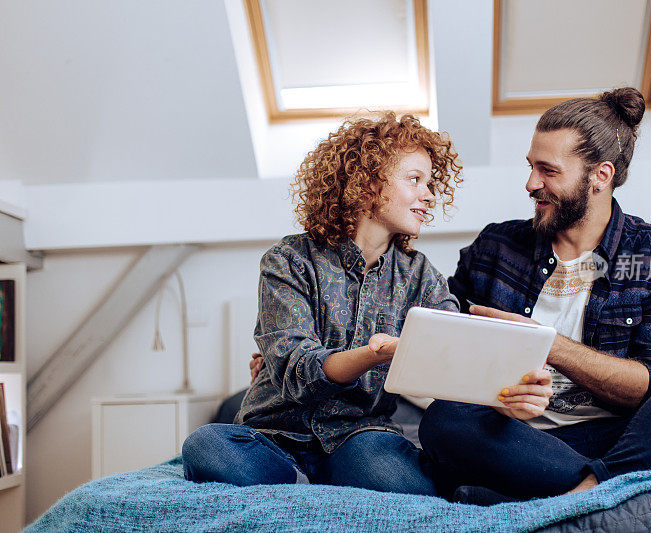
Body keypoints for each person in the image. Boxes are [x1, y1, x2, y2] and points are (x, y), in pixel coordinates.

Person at [417, 87, 651, 503]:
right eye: (531, 167)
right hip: (523, 442)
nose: (531, 183)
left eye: (548, 170)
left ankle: (589, 489)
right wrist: (497, 400)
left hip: (626, 438)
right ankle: (647, 485)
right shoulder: (496, 246)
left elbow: (650, 385)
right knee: (446, 419)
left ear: (600, 176)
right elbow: (442, 349)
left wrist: (547, 344)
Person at [182, 112, 461, 495]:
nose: (429, 195)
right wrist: (374, 354)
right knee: (206, 446)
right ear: (366, 185)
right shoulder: (289, 260)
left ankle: (300, 490)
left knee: (406, 482)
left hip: (360, 433)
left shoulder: (421, 276)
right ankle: (307, 485)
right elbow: (298, 370)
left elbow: (452, 345)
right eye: (415, 180)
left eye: (430, 183)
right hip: (276, 434)